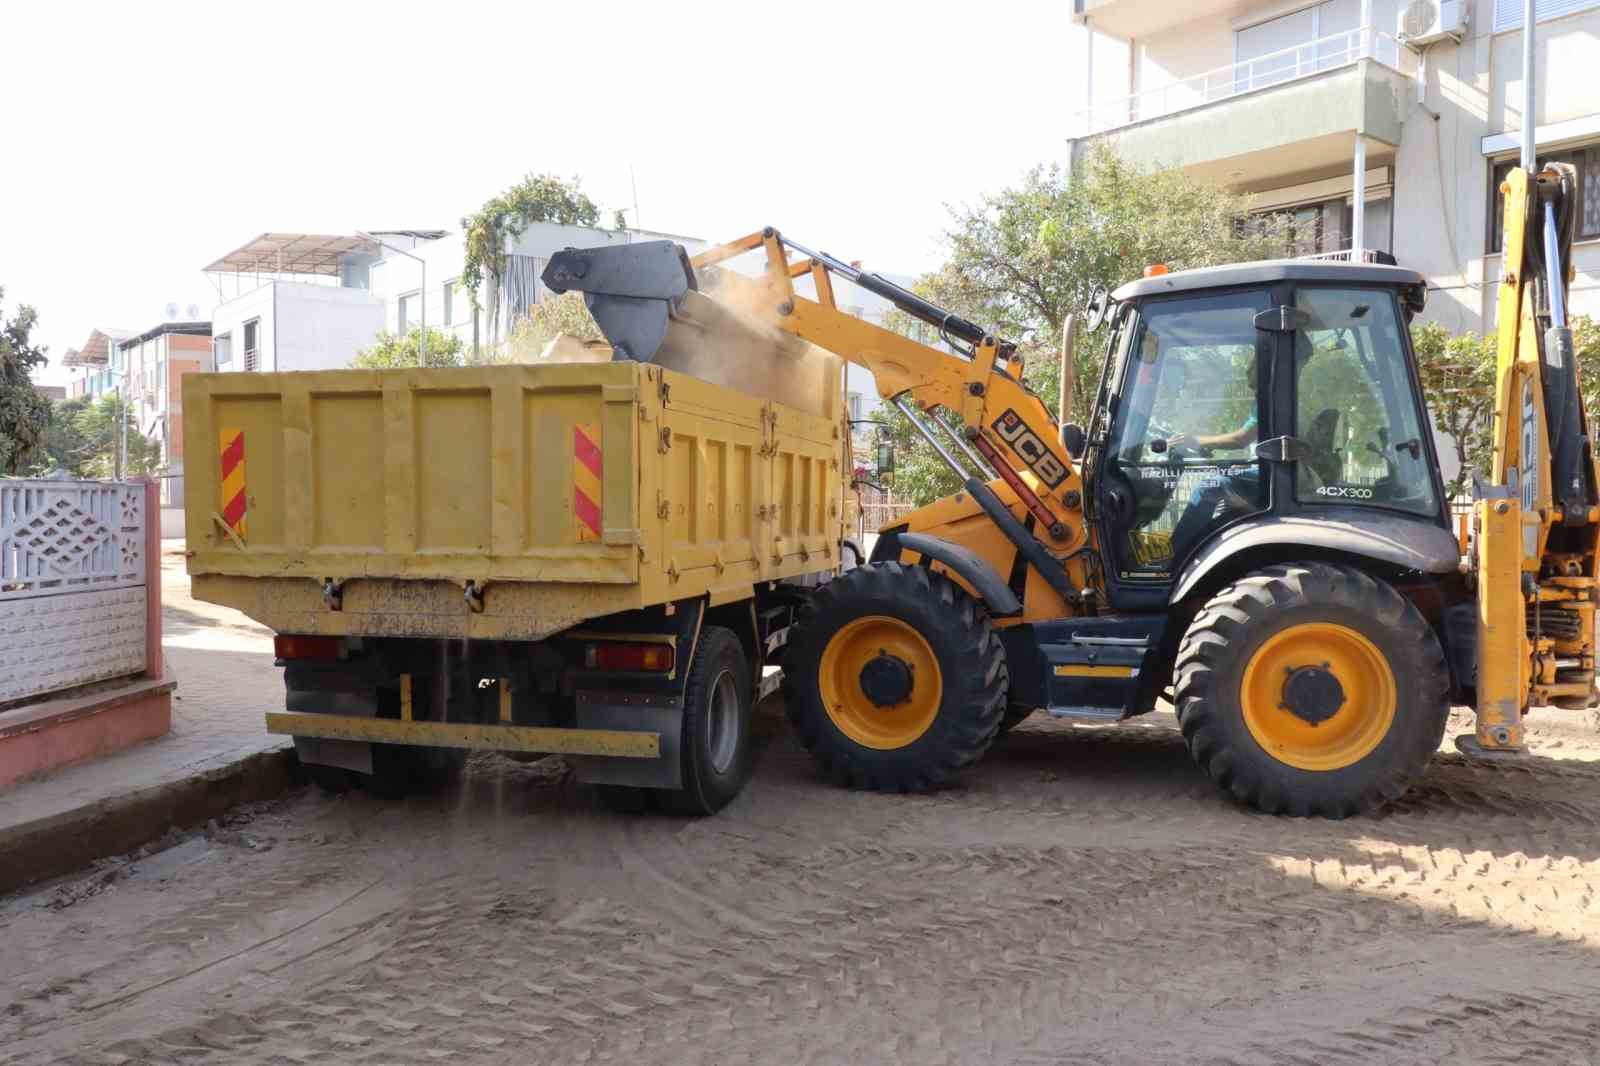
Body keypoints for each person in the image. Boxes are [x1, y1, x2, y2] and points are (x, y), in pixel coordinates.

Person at [1164, 412, 1261, 562]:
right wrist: (1245, 466)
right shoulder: (1265, 401)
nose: (1251, 387)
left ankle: (1171, 559)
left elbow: (1241, 439)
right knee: (1225, 482)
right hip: (1270, 471)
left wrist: (1195, 441)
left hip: (1279, 476)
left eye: (1253, 385)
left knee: (1209, 488)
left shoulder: (1267, 394)